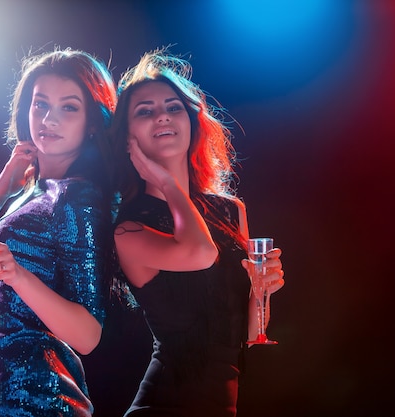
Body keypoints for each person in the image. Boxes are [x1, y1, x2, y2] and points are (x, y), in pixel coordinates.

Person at [0, 47, 117, 417]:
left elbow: (88, 336)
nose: (49, 119)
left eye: (69, 107)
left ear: (92, 123)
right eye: (40, 105)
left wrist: (17, 275)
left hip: (42, 403)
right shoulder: (23, 196)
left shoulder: (77, 197)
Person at [110, 48, 285, 417]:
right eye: (145, 111)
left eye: (174, 107)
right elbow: (200, 253)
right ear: (128, 139)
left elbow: (250, 336)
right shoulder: (128, 228)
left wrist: (261, 290)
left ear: (192, 121)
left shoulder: (229, 210)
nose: (162, 116)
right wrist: (163, 179)